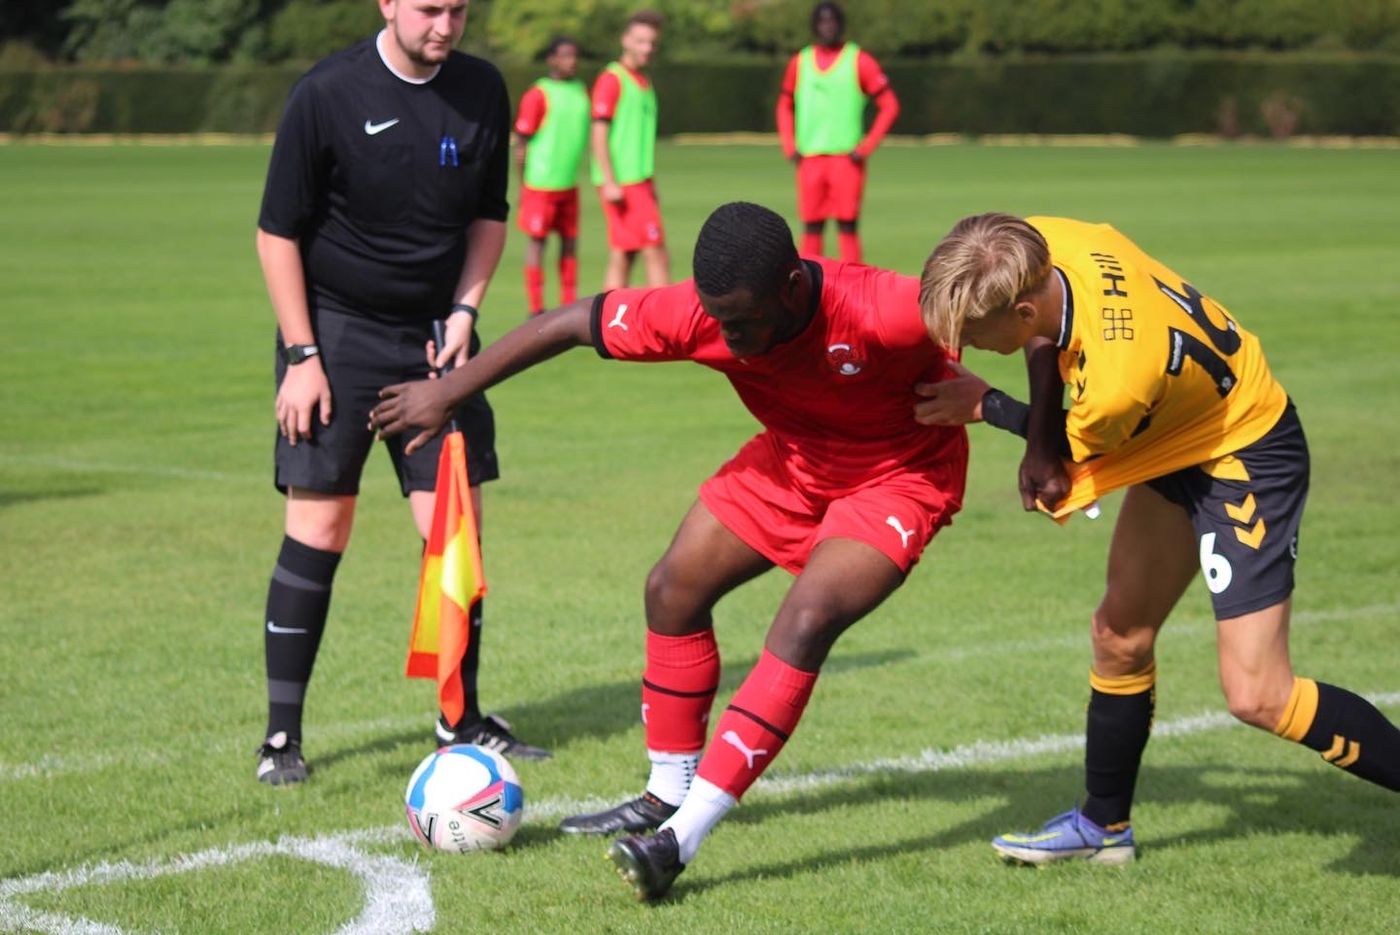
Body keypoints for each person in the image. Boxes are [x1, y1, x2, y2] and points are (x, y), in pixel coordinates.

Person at [369, 201, 968, 899]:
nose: (726, 335)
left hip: (899, 475)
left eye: (741, 322)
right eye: (718, 319)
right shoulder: (702, 313)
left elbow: (1014, 305)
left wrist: (1023, 423)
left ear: (793, 290)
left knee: (804, 619)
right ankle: (665, 792)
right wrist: (445, 392)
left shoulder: (883, 306)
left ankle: (680, 836)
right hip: (797, 460)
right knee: (672, 588)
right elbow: (568, 323)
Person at [915, 212, 1400, 864]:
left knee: (1260, 693)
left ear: (1023, 307)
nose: (967, 351)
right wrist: (1034, 438)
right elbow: (1046, 343)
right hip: (1176, 431)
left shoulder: (1115, 382)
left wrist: (985, 405)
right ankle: (1103, 827)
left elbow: (1061, 455)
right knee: (1119, 636)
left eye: (975, 336)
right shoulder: (1038, 241)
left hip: (1241, 451)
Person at [252, 0, 549, 786]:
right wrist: (301, 355)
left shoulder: (484, 88)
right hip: (336, 336)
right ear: (387, 2)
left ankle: (462, 719)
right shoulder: (327, 93)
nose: (445, 26)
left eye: (459, 9)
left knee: (456, 528)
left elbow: (490, 213)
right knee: (320, 526)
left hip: (434, 342)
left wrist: (464, 312)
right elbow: (277, 230)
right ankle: (282, 738)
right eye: (428, 9)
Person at [775, 1, 899, 264]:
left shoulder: (859, 60)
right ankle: (808, 291)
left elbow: (889, 105)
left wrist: (866, 147)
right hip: (810, 159)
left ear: (840, 24)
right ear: (814, 26)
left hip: (846, 160)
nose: (827, 26)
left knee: (847, 226)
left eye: (832, 21)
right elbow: (784, 105)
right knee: (811, 228)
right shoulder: (800, 62)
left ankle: (855, 291)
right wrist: (789, 145)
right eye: (822, 21)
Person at [591, 9, 670, 290]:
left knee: (625, 254)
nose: (646, 48)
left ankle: (607, 326)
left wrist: (650, 182)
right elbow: (598, 133)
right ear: (626, 40)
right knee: (655, 250)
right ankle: (666, 327)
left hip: (639, 180)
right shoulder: (612, 79)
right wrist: (610, 181)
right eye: (640, 41)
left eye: (651, 43)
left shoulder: (643, 81)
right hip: (624, 182)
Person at [513, 35, 590, 316]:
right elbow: (521, 143)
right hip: (541, 184)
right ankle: (536, 306)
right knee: (538, 243)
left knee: (570, 242)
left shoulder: (581, 91)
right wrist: (524, 183)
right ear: (552, 59)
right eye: (566, 55)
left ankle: (569, 301)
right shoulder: (539, 93)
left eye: (575, 55)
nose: (572, 61)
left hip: (568, 183)